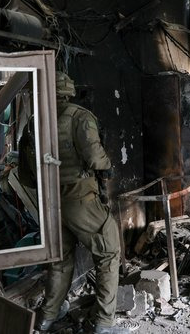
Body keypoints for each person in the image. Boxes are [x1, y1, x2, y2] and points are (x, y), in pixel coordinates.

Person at [35, 72, 128, 334]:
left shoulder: (35, 121)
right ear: (69, 90)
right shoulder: (79, 116)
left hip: (50, 203)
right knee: (108, 252)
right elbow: (96, 158)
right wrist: (107, 167)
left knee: (60, 260)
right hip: (80, 201)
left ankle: (47, 317)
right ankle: (103, 324)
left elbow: (28, 175)